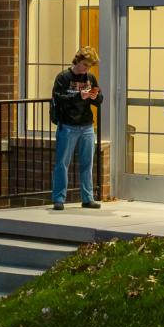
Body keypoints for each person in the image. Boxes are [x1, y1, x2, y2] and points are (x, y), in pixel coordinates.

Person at [49, 49, 102, 211]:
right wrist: (80, 96)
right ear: (77, 61)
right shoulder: (63, 77)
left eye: (89, 66)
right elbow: (59, 98)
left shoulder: (90, 78)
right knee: (62, 163)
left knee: (87, 163)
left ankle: (88, 198)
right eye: (85, 65)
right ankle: (59, 198)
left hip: (86, 125)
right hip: (68, 125)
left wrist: (94, 97)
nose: (86, 69)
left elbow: (99, 99)